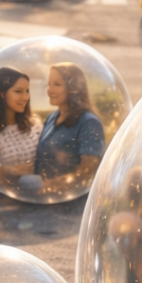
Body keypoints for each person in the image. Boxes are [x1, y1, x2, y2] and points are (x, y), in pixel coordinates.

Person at [32, 62, 104, 196]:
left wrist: (53, 185)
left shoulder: (89, 123)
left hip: (70, 201)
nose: (49, 90)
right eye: (49, 84)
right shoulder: (51, 117)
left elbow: (87, 171)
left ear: (73, 88)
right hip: (44, 196)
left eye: (57, 84)